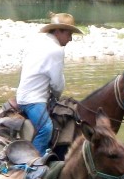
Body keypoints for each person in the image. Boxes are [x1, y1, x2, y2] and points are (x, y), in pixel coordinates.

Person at [15, 12, 82, 156]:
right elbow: (57, 83)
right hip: (33, 100)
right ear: (58, 31)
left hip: (24, 95)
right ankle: (32, 163)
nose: (70, 39)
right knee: (46, 128)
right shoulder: (56, 50)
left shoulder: (38, 43)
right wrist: (56, 97)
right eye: (69, 34)